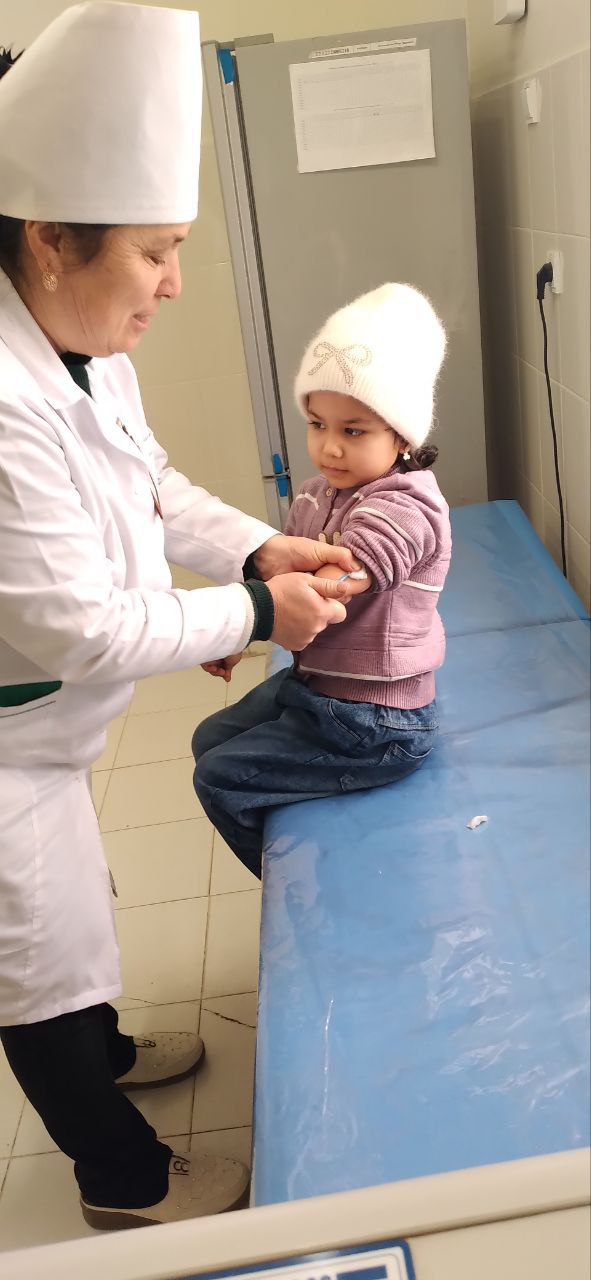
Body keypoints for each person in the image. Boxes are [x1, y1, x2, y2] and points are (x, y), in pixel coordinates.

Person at [0, 5, 356, 1232]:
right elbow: (85, 628)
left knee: (79, 903)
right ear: (52, 240)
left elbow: (148, 481)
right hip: (7, 742)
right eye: (155, 252)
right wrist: (256, 608)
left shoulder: (85, 345)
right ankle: (126, 1183)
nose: (173, 283)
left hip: (47, 730)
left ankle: (103, 1050)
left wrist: (254, 547)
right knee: (36, 954)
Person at [193, 284, 453, 878]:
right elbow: (281, 578)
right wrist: (240, 633)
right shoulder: (314, 495)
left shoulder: (408, 503)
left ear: (402, 435)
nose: (329, 446)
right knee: (208, 738)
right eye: (316, 424)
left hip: (378, 722)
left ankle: (303, 889)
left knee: (218, 776)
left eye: (354, 431)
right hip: (316, 689)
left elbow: (341, 576)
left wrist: (253, 615)